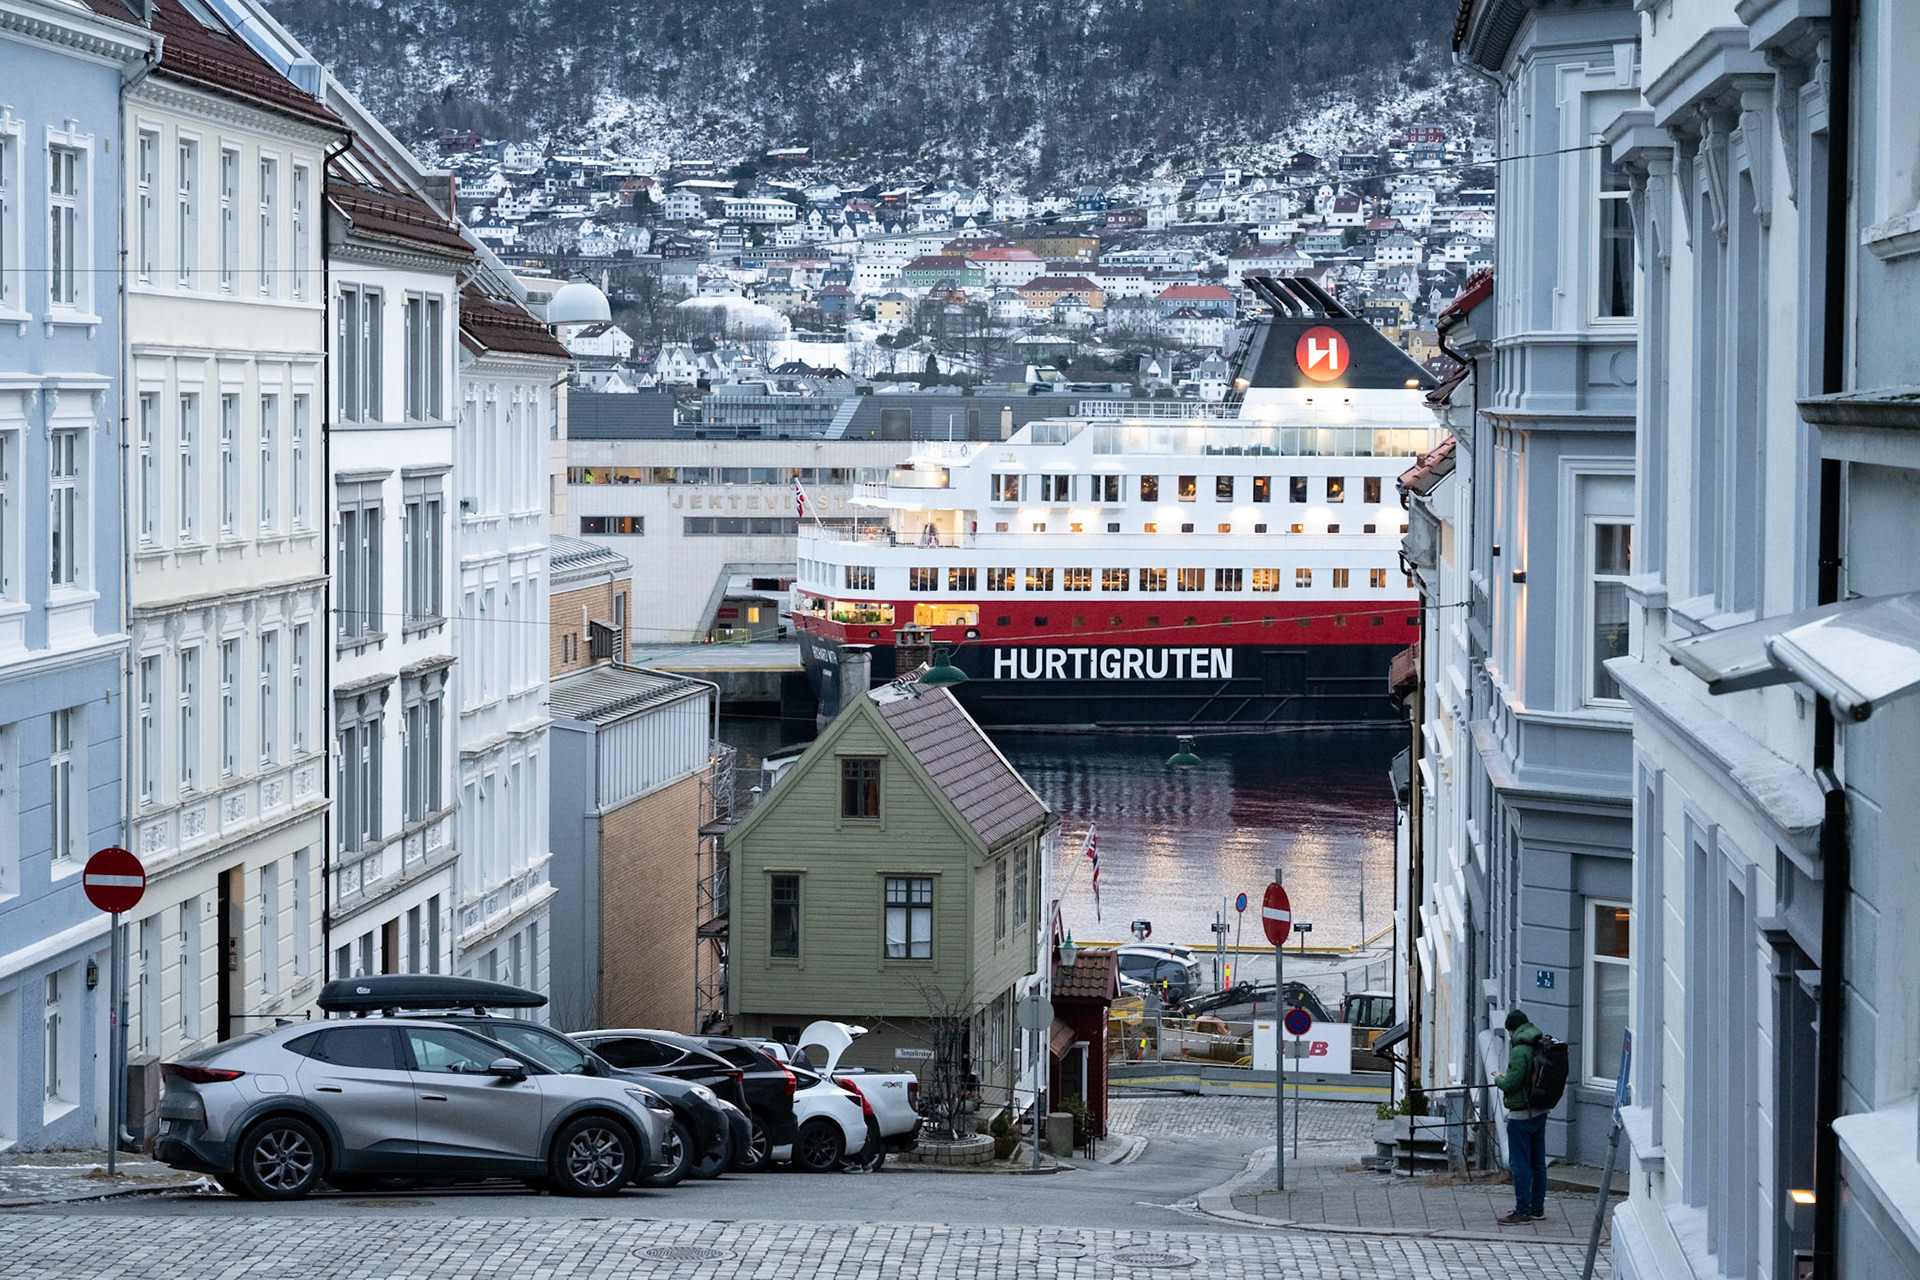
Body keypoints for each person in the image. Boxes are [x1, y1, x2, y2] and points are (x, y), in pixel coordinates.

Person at [1494, 1007, 1549, 1224]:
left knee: (1520, 1164)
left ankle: (1522, 1210)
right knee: (1538, 1163)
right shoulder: (1539, 1043)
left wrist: (1499, 1078)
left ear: (1512, 1030)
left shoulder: (1520, 1050)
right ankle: (1537, 1208)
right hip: (1540, 1111)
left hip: (1521, 1114)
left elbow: (1512, 1082)